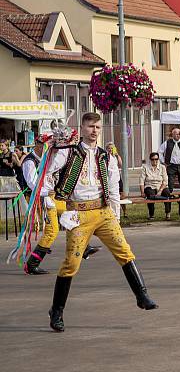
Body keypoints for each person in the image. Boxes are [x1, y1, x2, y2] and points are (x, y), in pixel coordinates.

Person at [40, 112, 157, 332]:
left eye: (97, 127)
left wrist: (116, 215)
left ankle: (142, 295)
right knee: (71, 264)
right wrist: (49, 194)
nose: (94, 131)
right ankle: (56, 310)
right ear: (82, 128)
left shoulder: (106, 156)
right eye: (90, 126)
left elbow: (113, 188)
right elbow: (47, 174)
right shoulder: (68, 153)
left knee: (124, 251)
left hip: (103, 212)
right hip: (79, 214)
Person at [22, 134, 101, 275]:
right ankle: (32, 264)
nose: (48, 147)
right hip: (42, 198)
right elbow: (33, 184)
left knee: (71, 214)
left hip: (52, 195)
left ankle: (84, 247)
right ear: (37, 143)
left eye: (49, 144)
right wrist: (49, 192)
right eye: (44, 144)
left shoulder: (48, 158)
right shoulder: (30, 161)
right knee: (52, 231)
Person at [139, 152, 171, 220]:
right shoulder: (145, 167)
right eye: (153, 159)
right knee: (150, 194)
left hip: (161, 186)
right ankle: (151, 214)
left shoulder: (162, 167)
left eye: (156, 159)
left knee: (167, 193)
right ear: (150, 160)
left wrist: (160, 191)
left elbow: (165, 181)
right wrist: (142, 192)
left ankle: (168, 213)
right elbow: (141, 180)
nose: (154, 161)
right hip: (150, 185)